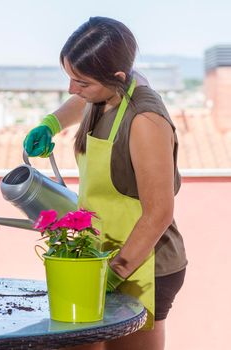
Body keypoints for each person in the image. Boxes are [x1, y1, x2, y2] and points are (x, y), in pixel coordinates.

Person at [23, 17, 187, 350]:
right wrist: (51, 124)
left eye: (79, 81)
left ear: (118, 77)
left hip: (143, 265)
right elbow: (83, 99)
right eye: (70, 77)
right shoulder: (108, 92)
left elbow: (158, 214)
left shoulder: (144, 121)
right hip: (102, 255)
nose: (72, 89)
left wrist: (112, 274)